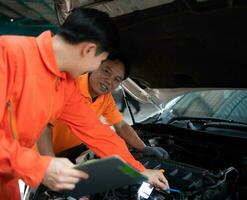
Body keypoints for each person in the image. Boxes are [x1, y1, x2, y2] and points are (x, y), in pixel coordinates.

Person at [0, 8, 168, 199]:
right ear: (88, 50)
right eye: (101, 62)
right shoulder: (7, 56)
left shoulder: (65, 83)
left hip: (8, 183)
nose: (96, 69)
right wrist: (40, 166)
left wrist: (139, 170)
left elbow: (96, 132)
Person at [38, 53, 169, 160]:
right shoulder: (69, 84)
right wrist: (50, 161)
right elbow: (43, 123)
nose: (109, 80)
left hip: (70, 156)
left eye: (117, 79)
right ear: (94, 66)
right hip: (39, 153)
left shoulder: (106, 99)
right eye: (106, 71)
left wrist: (144, 148)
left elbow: (121, 125)